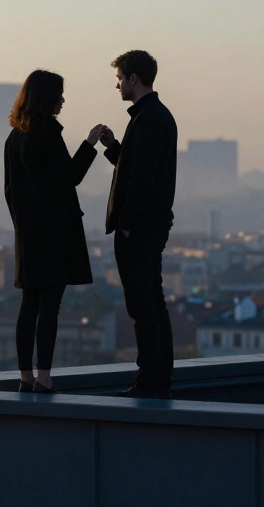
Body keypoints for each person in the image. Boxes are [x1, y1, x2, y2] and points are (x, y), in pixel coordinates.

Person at [4, 69, 105, 393]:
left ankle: (25, 377)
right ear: (47, 98)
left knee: (28, 305)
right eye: (59, 94)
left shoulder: (14, 137)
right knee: (50, 306)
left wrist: (21, 224)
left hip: (28, 235)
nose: (63, 100)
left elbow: (9, 190)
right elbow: (71, 176)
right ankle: (44, 377)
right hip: (54, 235)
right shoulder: (46, 133)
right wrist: (90, 143)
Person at [99, 50, 178, 399]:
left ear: (133, 78)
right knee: (152, 302)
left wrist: (127, 225)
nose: (116, 84)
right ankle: (159, 378)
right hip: (150, 226)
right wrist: (114, 147)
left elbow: (141, 180)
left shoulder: (147, 120)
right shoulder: (155, 117)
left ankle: (149, 381)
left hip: (139, 229)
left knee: (142, 306)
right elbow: (135, 170)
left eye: (119, 78)